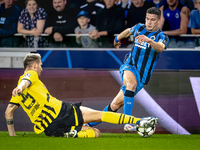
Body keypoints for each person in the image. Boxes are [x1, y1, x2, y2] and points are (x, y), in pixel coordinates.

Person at [5, 53, 158, 137]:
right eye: (40, 66)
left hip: (50, 129)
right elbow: (25, 80)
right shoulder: (30, 75)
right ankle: (139, 122)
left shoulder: (17, 95)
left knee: (95, 133)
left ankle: (71, 134)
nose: (41, 69)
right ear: (34, 65)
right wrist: (20, 86)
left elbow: (8, 113)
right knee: (100, 115)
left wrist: (12, 135)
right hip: (61, 111)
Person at [87, 7, 168, 132]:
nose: (149, 22)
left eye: (152, 20)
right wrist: (117, 38)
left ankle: (87, 125)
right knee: (131, 84)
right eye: (147, 19)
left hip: (142, 76)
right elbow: (128, 31)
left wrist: (150, 41)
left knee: (115, 105)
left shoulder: (161, 36)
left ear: (158, 20)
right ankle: (128, 122)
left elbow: (160, 48)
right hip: (129, 66)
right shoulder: (139, 27)